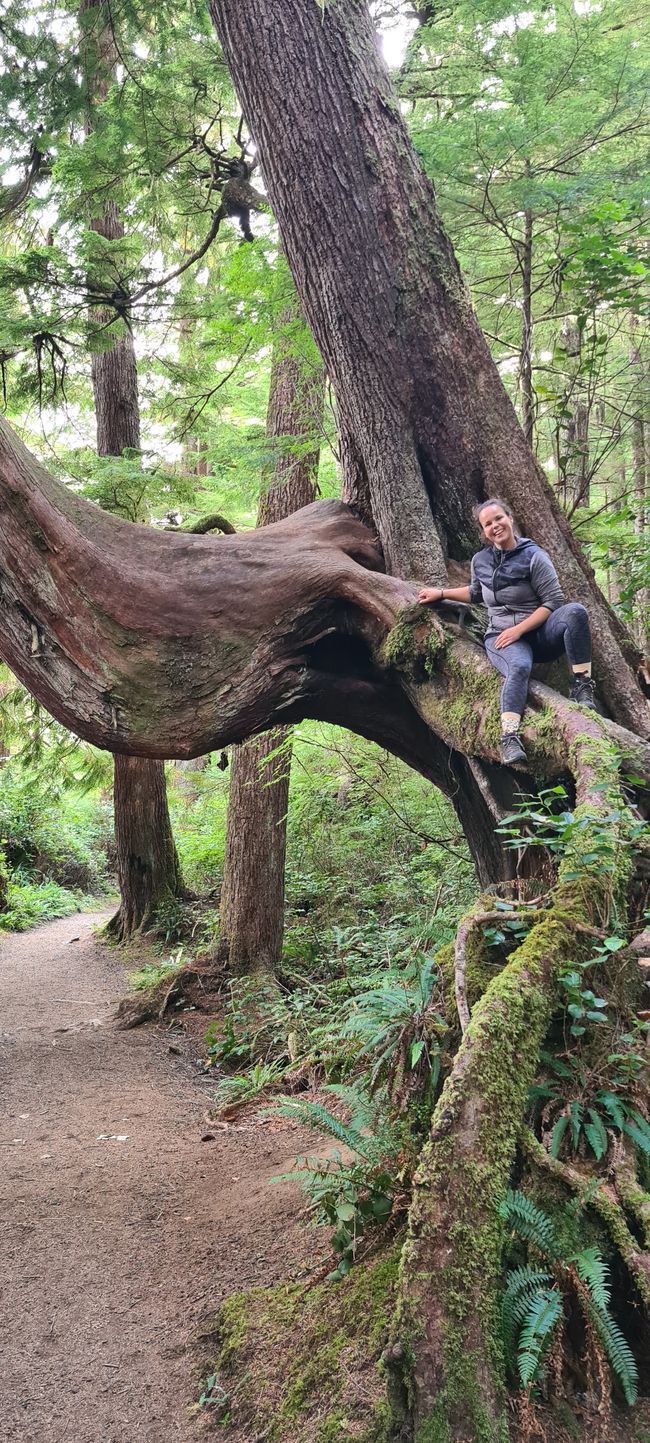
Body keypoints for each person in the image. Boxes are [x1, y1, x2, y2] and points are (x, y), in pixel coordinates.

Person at [418, 497, 596, 765]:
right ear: (483, 531)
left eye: (498, 518)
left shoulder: (534, 555)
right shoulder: (481, 560)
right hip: (501, 636)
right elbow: (476, 593)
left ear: (510, 518)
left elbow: (553, 601)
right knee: (519, 667)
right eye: (487, 524)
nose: (495, 526)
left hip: (539, 634)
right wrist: (441, 593)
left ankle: (583, 686)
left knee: (575, 613)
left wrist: (519, 629)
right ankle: (509, 737)